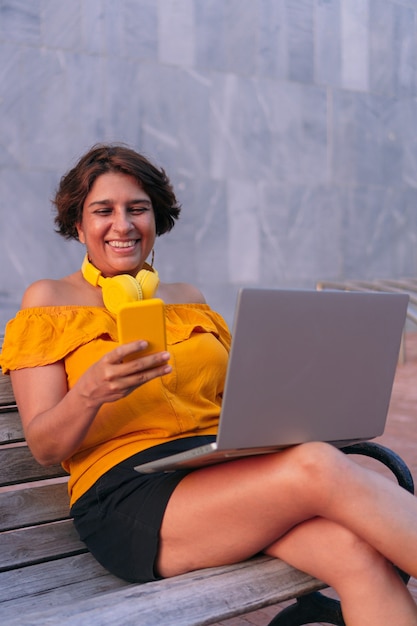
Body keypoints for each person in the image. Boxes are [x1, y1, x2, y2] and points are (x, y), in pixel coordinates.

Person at [1, 143, 417, 626]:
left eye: (138, 208)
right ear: (79, 224)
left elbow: (242, 396)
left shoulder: (187, 299)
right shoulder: (49, 300)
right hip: (129, 496)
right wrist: (92, 391)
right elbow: (45, 446)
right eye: (103, 211)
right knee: (317, 465)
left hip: (220, 468)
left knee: (352, 552)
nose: (123, 224)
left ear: (157, 219)